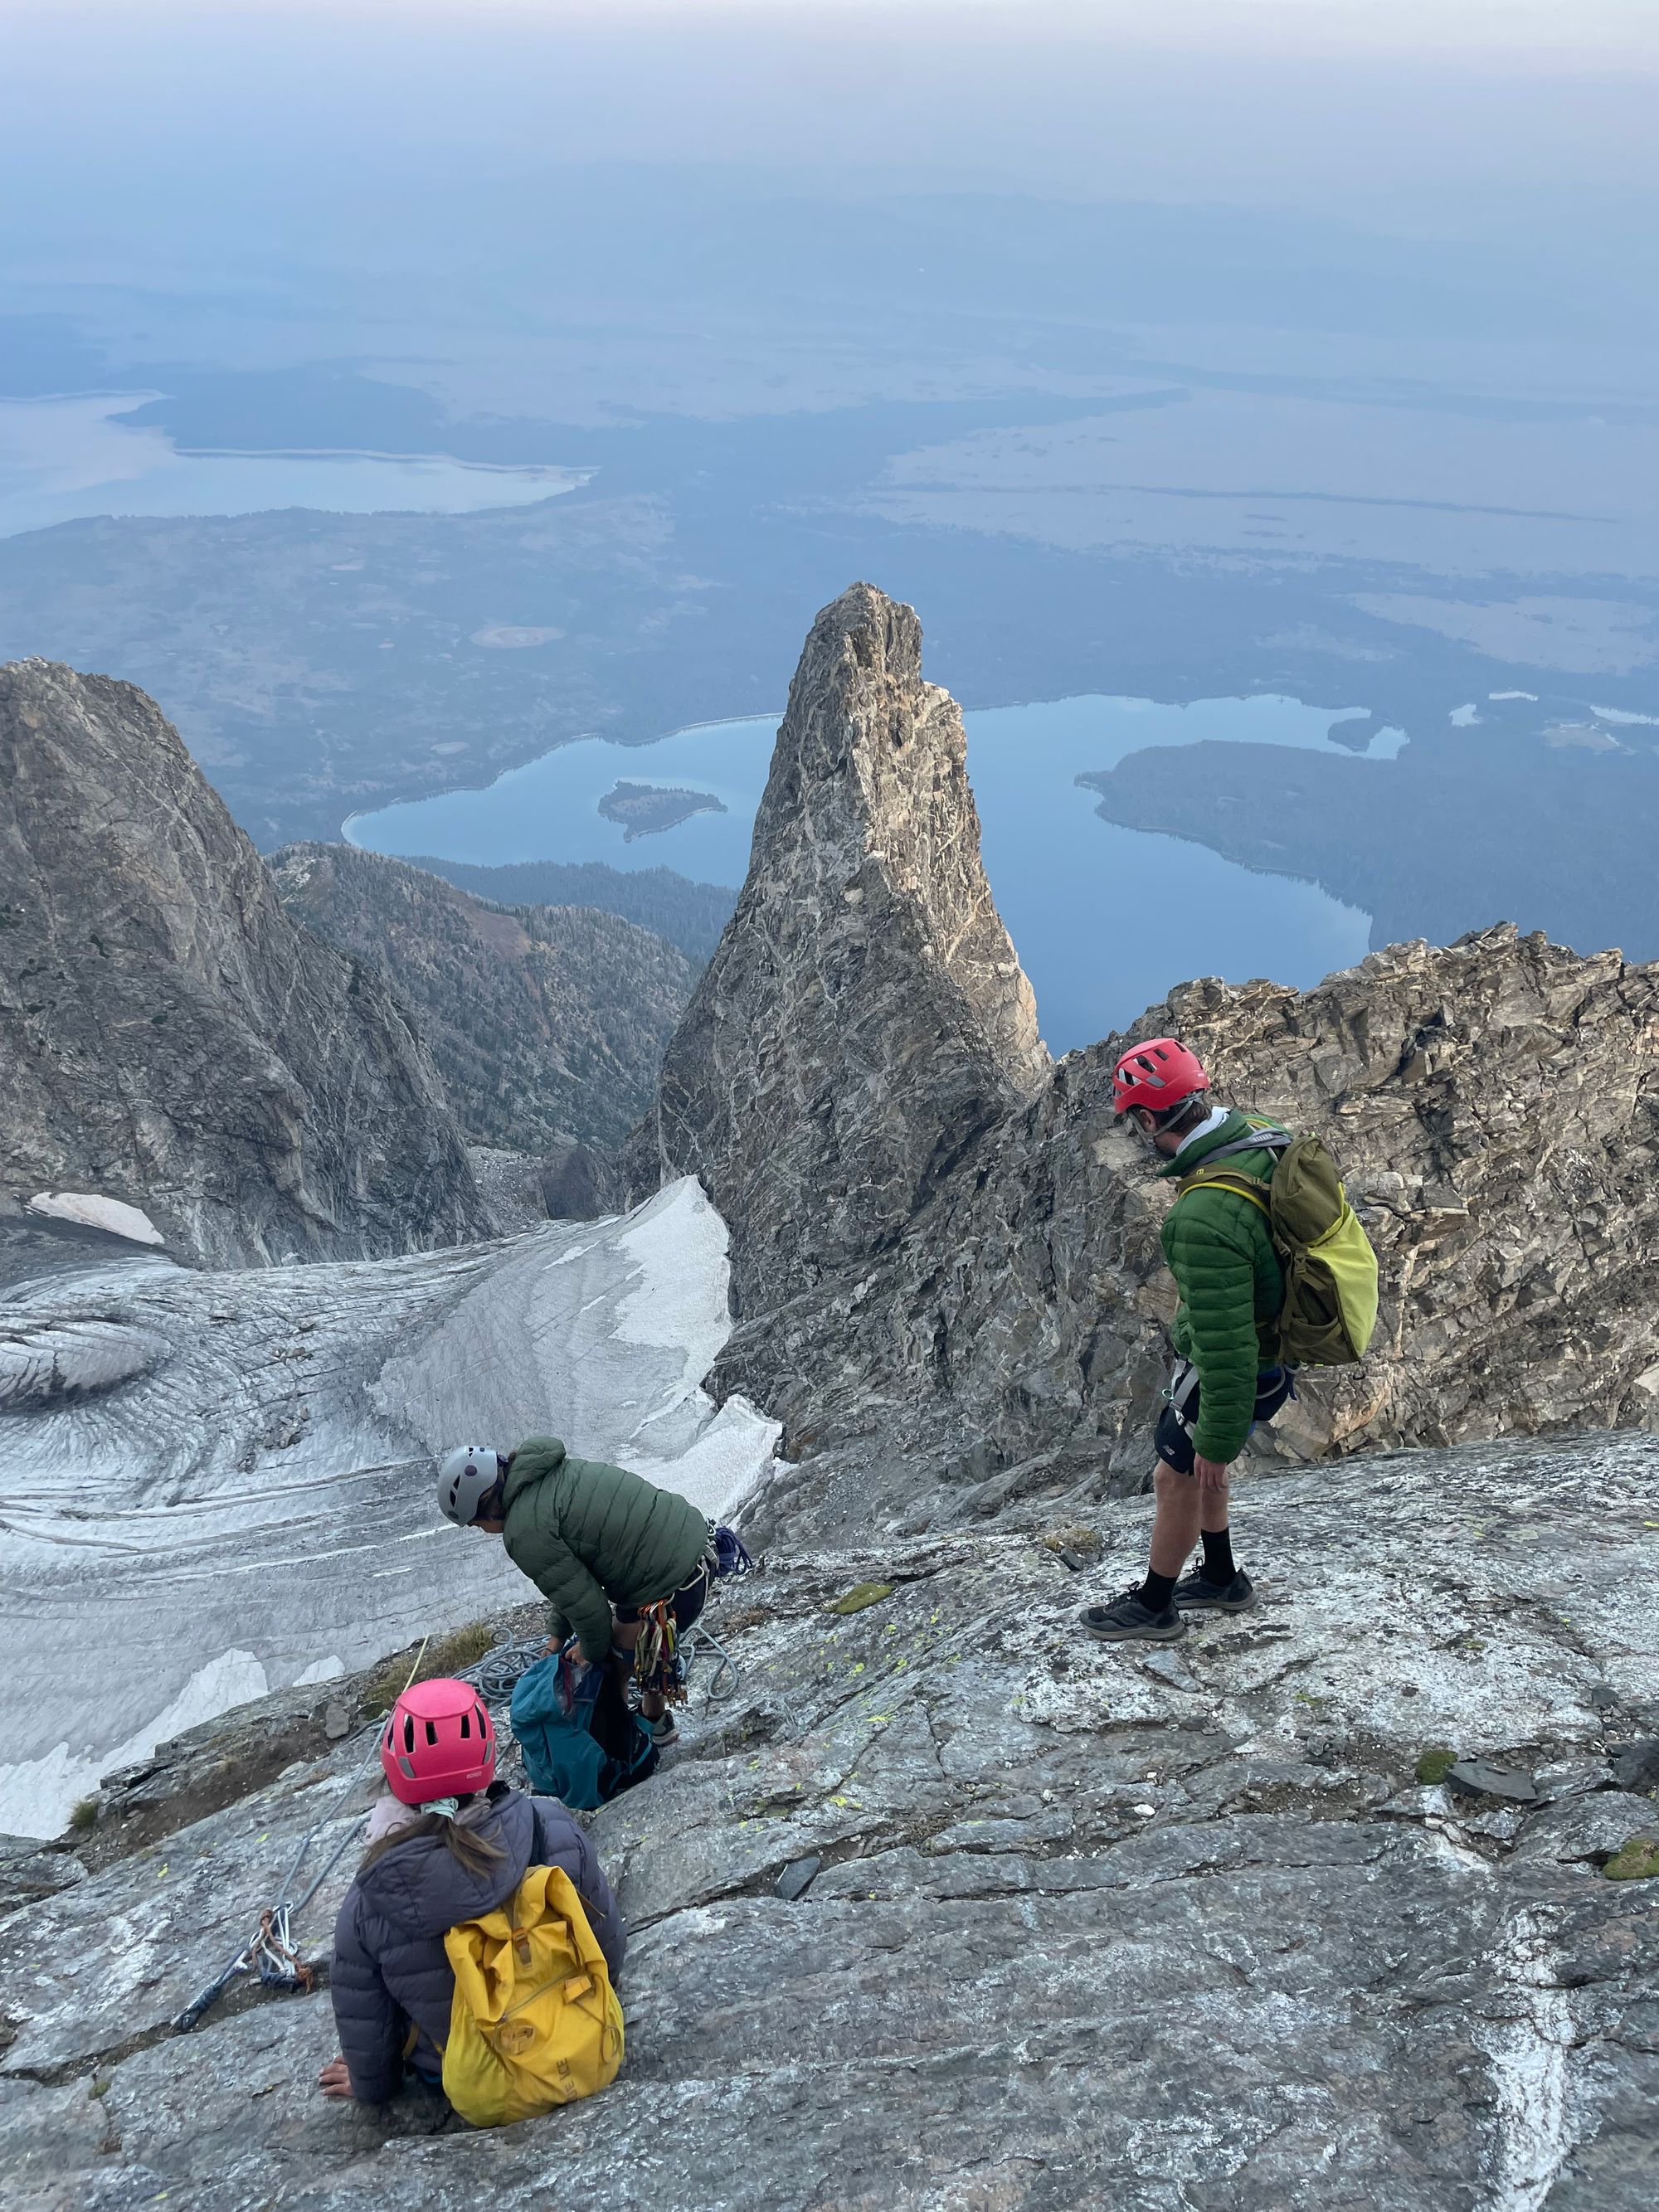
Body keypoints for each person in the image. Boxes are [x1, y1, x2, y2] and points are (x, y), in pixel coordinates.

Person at [319, 1675, 625, 2107]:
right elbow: (607, 1948)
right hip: (575, 2033)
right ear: (485, 1761)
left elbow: (366, 2019)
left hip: (471, 2078)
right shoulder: (546, 1826)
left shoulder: (371, 1896)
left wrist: (372, 2087)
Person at [1082, 1038, 1294, 1644]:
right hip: (1278, 1348)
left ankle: (1155, 1605)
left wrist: (1219, 1439)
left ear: (1149, 1118)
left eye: (1133, 1122)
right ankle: (1223, 1577)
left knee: (1176, 1476)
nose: (1134, 1135)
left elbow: (1228, 1350)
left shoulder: (1199, 1217)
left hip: (1241, 1362)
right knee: (1197, 1471)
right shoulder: (1257, 1136)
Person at [437, 1437, 712, 1745]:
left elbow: (590, 1610)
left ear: (485, 1506)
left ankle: (624, 1750)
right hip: (698, 1553)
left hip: (671, 1588)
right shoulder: (546, 1473)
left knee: (605, 1664)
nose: (482, 1531)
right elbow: (574, 1583)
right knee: (628, 1634)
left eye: (476, 1524)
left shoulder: (524, 1531)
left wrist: (590, 1651)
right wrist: (557, 1637)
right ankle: (655, 1717)